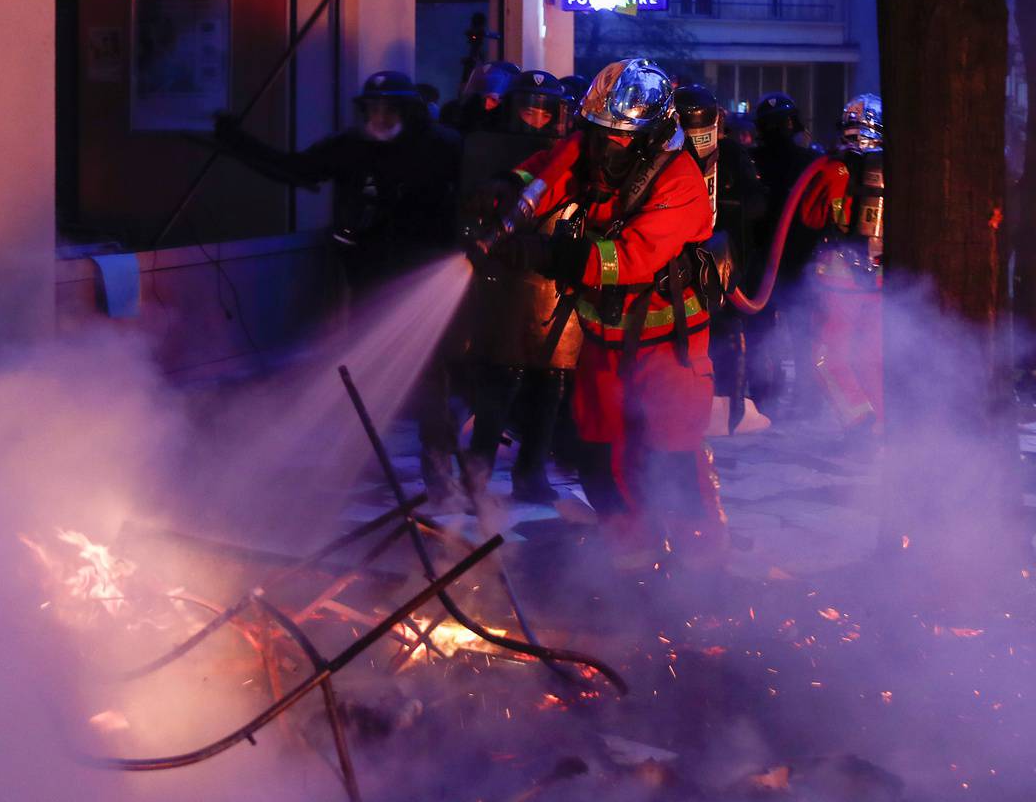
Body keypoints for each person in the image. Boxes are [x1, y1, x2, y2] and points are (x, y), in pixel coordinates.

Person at [474, 59, 723, 566]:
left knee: (670, 459)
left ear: (651, 137)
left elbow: (628, 259)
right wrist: (508, 186)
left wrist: (547, 255)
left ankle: (702, 572)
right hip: (602, 340)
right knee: (596, 451)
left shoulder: (680, 184)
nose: (604, 144)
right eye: (599, 131)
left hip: (668, 349)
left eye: (618, 135)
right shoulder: (596, 149)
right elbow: (552, 170)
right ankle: (629, 552)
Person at [213, 71, 465, 497]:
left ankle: (438, 474)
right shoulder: (351, 147)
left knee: (429, 377)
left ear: (408, 110)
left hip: (425, 278)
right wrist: (238, 144)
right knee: (366, 371)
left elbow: (477, 186)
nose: (380, 116)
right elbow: (296, 168)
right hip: (368, 277)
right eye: (373, 108)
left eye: (389, 108)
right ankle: (360, 462)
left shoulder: (441, 146)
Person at [458, 70, 579, 502]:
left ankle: (531, 474)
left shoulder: (574, 153)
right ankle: (477, 474)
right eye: (530, 107)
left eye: (547, 110)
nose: (539, 118)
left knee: (552, 382)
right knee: (498, 379)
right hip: (505, 280)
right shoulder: (487, 148)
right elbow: (473, 209)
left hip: (559, 279)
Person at [675, 83, 768, 433]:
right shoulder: (662, 154)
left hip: (719, 262)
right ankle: (681, 407)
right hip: (671, 259)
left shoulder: (729, 154)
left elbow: (755, 202)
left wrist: (733, 210)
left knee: (725, 332)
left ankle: (729, 408)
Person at [791, 93, 887, 427]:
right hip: (882, 279)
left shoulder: (832, 168)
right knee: (872, 358)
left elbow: (810, 217)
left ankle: (860, 425)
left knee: (827, 357)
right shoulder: (896, 168)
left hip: (839, 278)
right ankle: (884, 429)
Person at [746, 92, 825, 414]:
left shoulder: (751, 162)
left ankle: (764, 400)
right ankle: (803, 403)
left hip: (766, 264)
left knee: (762, 337)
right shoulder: (811, 162)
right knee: (800, 336)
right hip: (795, 265)